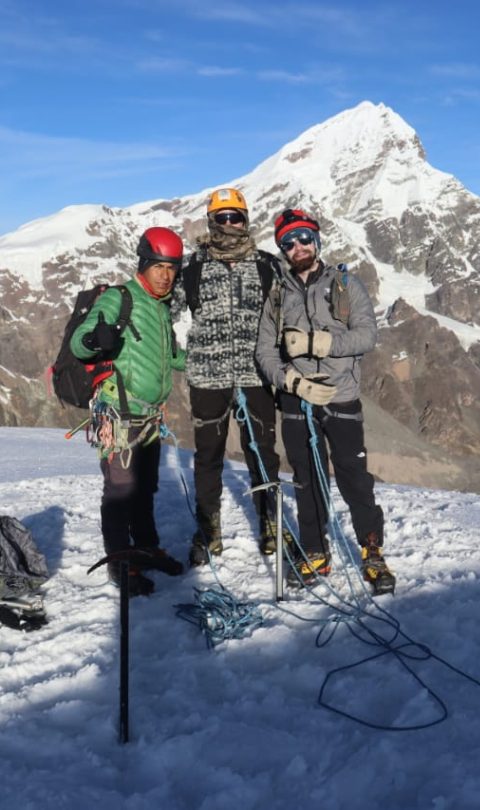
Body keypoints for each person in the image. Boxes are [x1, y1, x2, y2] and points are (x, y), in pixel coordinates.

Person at [255, 208, 395, 595]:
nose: (297, 246)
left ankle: (371, 550)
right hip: (296, 401)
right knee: (305, 479)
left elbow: (367, 335)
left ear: (316, 241)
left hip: (341, 397)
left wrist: (321, 344)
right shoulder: (278, 294)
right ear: (282, 249)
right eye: (288, 242)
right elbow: (265, 351)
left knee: (354, 477)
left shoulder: (346, 284)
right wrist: (290, 380)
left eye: (303, 238)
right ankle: (315, 551)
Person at [170, 187, 287, 566]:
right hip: (207, 374)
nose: (229, 224)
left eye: (235, 216)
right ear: (211, 221)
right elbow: (164, 315)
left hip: (256, 374)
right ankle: (208, 527)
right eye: (222, 218)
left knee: (263, 452)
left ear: (246, 219)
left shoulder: (269, 265)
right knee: (208, 456)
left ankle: (271, 521)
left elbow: (289, 317)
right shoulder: (192, 267)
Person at [70, 226, 186, 597]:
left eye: (172, 268)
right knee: (120, 490)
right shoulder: (119, 299)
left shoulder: (159, 306)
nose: (166, 275)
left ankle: (146, 548)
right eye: (159, 267)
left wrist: (205, 362)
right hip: (118, 413)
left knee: (144, 487)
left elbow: (171, 357)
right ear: (144, 263)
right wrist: (94, 340)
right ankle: (121, 562)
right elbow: (79, 343)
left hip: (149, 417)